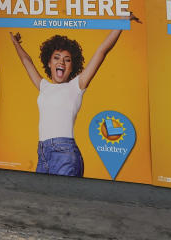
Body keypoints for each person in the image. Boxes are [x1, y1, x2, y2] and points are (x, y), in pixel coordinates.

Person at [9, 29, 122, 176]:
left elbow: (102, 51)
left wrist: (122, 23)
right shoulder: (44, 86)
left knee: (62, 198)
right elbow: (26, 61)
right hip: (43, 155)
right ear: (49, 63)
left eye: (67, 59)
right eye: (56, 57)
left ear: (71, 67)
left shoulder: (76, 86)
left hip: (65, 155)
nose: (61, 61)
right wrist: (15, 43)